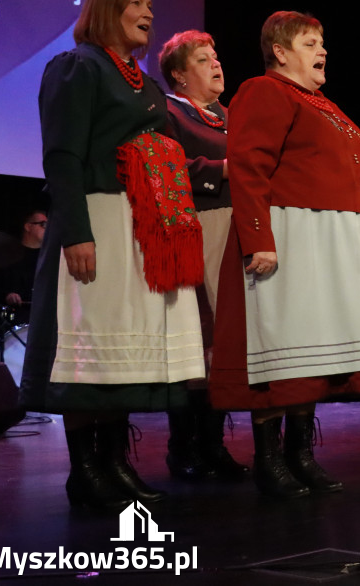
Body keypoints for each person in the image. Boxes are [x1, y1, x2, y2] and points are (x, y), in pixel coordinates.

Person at [20, 0, 205, 511]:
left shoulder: (144, 83)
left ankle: (116, 461)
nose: (149, 11)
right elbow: (62, 157)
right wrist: (75, 232)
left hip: (137, 225)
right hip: (97, 218)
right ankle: (84, 469)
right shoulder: (79, 67)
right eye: (137, 3)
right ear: (108, 9)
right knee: (90, 346)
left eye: (151, 2)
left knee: (118, 349)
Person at [209, 11, 360, 498]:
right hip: (289, 233)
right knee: (279, 350)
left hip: (328, 239)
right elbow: (248, 167)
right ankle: (269, 460)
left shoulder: (323, 103)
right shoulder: (266, 91)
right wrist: (258, 237)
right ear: (280, 51)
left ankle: (300, 453)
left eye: (322, 42)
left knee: (311, 354)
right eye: (310, 43)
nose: (322, 50)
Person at [157, 30, 248, 481]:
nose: (216, 63)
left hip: (237, 233)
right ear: (178, 73)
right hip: (197, 229)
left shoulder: (233, 117)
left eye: (216, 55)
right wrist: (224, 170)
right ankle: (183, 446)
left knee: (226, 344)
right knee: (200, 338)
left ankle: (214, 444)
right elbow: (167, 166)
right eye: (202, 58)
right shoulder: (169, 110)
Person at [0, 209, 47, 324]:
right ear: (28, 227)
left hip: (44, 319)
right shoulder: (8, 255)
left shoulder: (50, 258)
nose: (48, 229)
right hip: (15, 319)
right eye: (43, 224)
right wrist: (7, 295)